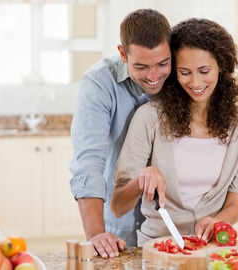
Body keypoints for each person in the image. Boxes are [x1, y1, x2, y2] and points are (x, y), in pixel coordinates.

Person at [110, 18, 238, 246]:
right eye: (185, 72)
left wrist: (215, 222)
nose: (196, 81)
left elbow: (235, 206)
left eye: (204, 70)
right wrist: (142, 179)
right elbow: (118, 206)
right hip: (157, 247)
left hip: (212, 248)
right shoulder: (150, 117)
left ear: (221, 65)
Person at [68, 9, 172, 258]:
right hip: (121, 225)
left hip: (170, 226)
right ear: (122, 54)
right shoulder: (99, 82)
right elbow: (89, 162)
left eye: (162, 63)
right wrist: (96, 235)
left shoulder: (182, 73)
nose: (154, 76)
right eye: (141, 66)